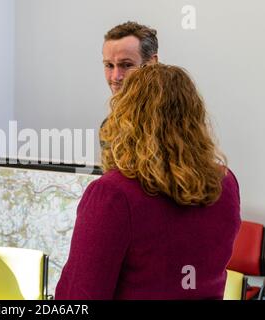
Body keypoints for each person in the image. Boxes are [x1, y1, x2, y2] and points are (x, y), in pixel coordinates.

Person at [55, 64, 241, 299]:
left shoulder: (113, 194)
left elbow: (80, 296)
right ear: (194, 118)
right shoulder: (226, 184)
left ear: (126, 118)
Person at [103, 21, 159, 94]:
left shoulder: (171, 104)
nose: (115, 77)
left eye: (127, 65)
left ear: (151, 63)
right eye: (109, 65)